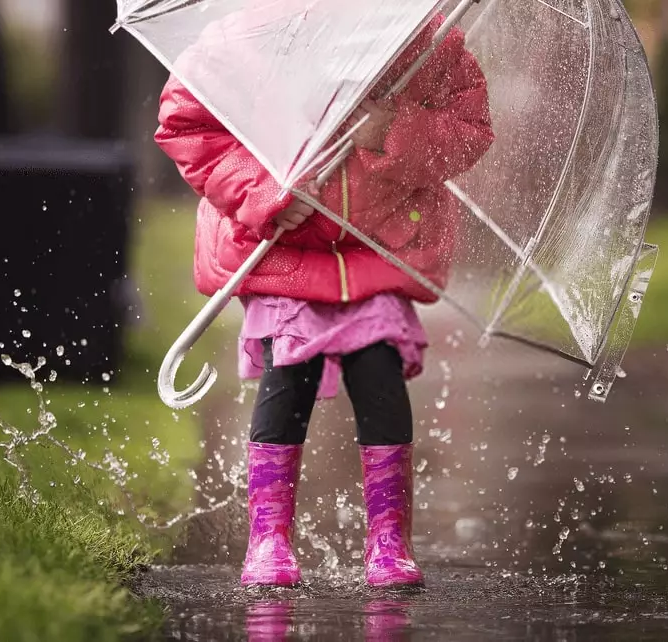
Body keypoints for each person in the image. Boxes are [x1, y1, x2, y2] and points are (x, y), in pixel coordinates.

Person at [154, 12, 493, 588]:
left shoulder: (425, 42)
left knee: (379, 374)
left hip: (375, 246)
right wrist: (261, 195)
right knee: (288, 379)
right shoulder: (245, 40)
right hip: (286, 248)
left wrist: (393, 130)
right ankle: (268, 539)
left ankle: (389, 541)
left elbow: (470, 131)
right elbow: (190, 127)